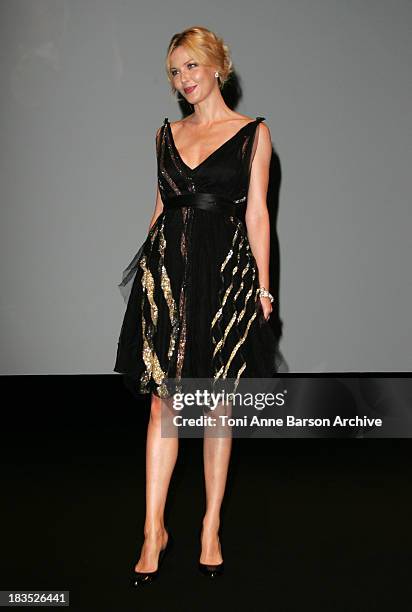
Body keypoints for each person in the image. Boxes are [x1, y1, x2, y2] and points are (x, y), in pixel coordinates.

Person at [114, 25, 280, 585]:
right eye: (174, 72)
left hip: (226, 275)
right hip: (169, 274)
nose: (183, 80)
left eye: (190, 67)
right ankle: (152, 529)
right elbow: (159, 210)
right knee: (163, 404)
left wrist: (262, 285)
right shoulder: (164, 135)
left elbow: (257, 213)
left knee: (215, 406)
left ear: (216, 67)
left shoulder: (253, 133)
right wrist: (146, 280)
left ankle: (210, 526)